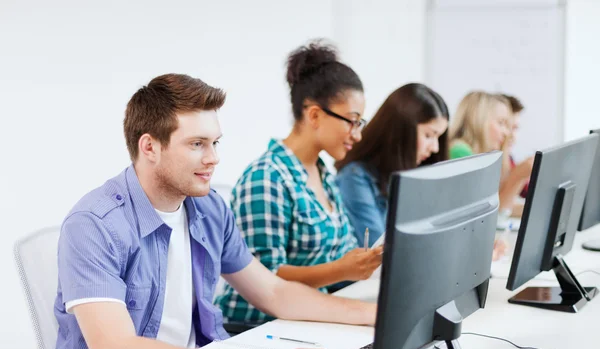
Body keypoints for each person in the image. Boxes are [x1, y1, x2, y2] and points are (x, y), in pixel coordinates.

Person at [42, 73, 378, 349]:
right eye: (197, 144)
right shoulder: (95, 225)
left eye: (215, 143)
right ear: (150, 147)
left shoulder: (208, 208)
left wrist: (374, 316)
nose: (214, 158)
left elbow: (274, 293)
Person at [214, 41, 383, 326]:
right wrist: (341, 270)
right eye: (352, 122)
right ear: (315, 115)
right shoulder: (266, 178)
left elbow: (341, 252)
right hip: (257, 327)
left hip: (307, 320)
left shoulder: (323, 175)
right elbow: (266, 280)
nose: (358, 135)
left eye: (360, 123)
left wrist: (361, 262)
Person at [335, 83, 449, 245]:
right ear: (401, 133)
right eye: (429, 135)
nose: (435, 148)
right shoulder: (354, 178)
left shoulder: (414, 174)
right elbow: (379, 251)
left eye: (438, 137)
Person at [448, 91, 533, 215]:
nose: (506, 133)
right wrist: (517, 176)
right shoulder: (460, 152)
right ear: (480, 120)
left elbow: (499, 208)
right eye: (501, 123)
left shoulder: (479, 156)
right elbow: (488, 213)